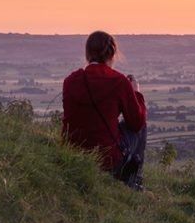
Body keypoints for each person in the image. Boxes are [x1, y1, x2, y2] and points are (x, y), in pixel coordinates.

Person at [62, 31, 148, 190]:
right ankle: (134, 181)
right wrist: (136, 93)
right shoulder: (118, 81)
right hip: (107, 160)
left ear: (87, 53)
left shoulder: (70, 81)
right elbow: (136, 122)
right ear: (113, 54)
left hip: (71, 153)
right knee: (141, 125)